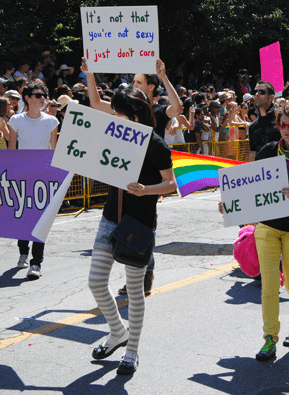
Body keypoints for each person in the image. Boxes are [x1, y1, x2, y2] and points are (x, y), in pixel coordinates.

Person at [81, 58, 176, 375]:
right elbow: (94, 115)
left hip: (138, 222)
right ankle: (116, 332)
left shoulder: (157, 144)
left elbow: (171, 185)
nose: (115, 118)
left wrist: (145, 190)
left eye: (119, 114)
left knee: (135, 292)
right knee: (96, 282)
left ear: (134, 115)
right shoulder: (113, 134)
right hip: (111, 217)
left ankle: (131, 351)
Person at [220, 101, 289, 361]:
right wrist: (231, 205)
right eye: (282, 124)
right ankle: (269, 339)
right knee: (268, 285)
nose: (285, 130)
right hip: (266, 228)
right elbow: (250, 188)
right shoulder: (268, 151)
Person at [8, 81, 59, 280]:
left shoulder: (52, 122)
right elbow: (12, 151)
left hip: (44, 176)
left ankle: (36, 262)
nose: (42, 99)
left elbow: (53, 150)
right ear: (28, 98)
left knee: (42, 219)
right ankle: (23, 250)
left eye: (43, 95)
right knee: (24, 217)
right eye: (38, 95)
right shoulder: (16, 120)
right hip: (22, 174)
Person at [247, 81, 281, 161]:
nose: (257, 94)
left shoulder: (281, 120)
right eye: (255, 91)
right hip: (262, 171)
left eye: (261, 92)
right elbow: (252, 153)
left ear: (271, 97)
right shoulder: (253, 127)